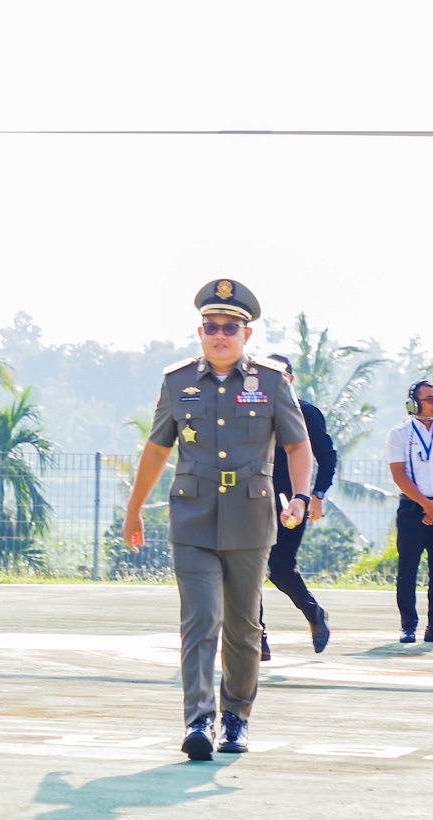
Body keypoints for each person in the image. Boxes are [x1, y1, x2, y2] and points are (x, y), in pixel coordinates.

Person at [122, 278, 313, 760]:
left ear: (246, 334)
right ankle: (199, 720)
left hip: (251, 516)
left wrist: (300, 497)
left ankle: (235, 718)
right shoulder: (177, 381)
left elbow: (298, 445)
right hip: (193, 514)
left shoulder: (271, 382)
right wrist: (134, 508)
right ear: (200, 331)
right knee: (201, 620)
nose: (220, 335)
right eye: (211, 326)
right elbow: (157, 448)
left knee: (243, 626)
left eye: (230, 327)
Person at [259, 354, 338, 660]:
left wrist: (315, 495)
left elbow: (327, 457)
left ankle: (314, 613)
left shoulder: (306, 412)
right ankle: (257, 638)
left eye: (280, 375)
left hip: (294, 501)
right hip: (253, 500)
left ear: (291, 379)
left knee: (279, 567)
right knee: (249, 569)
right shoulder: (251, 413)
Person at [387, 379, 433, 644]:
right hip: (412, 507)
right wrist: (424, 504)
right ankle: (408, 626)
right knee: (408, 568)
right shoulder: (399, 434)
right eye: (430, 399)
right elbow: (399, 474)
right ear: (414, 403)